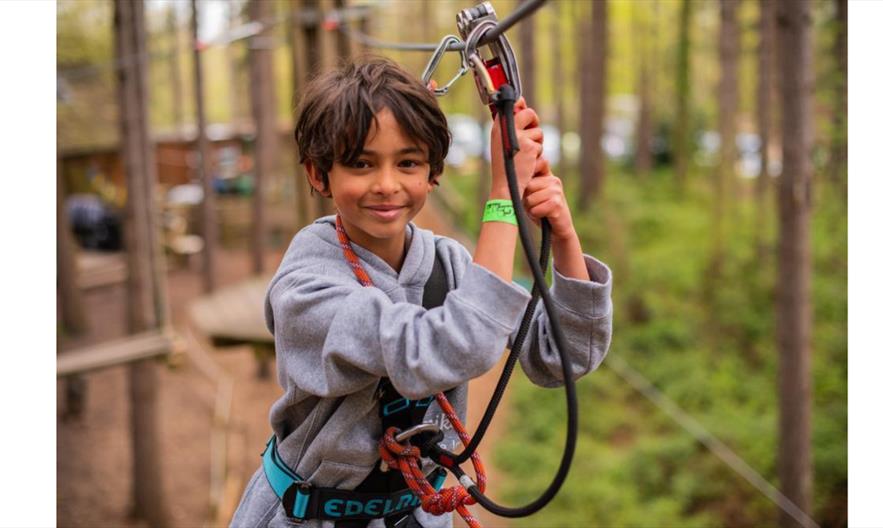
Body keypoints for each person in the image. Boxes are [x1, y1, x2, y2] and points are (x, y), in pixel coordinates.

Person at [230, 57, 613, 528]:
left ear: (433, 172)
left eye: (407, 162)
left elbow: (564, 356)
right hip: (308, 516)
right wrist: (501, 199)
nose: (386, 185)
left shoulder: (447, 263)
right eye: (360, 163)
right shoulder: (306, 287)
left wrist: (565, 235)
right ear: (318, 173)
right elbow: (446, 346)